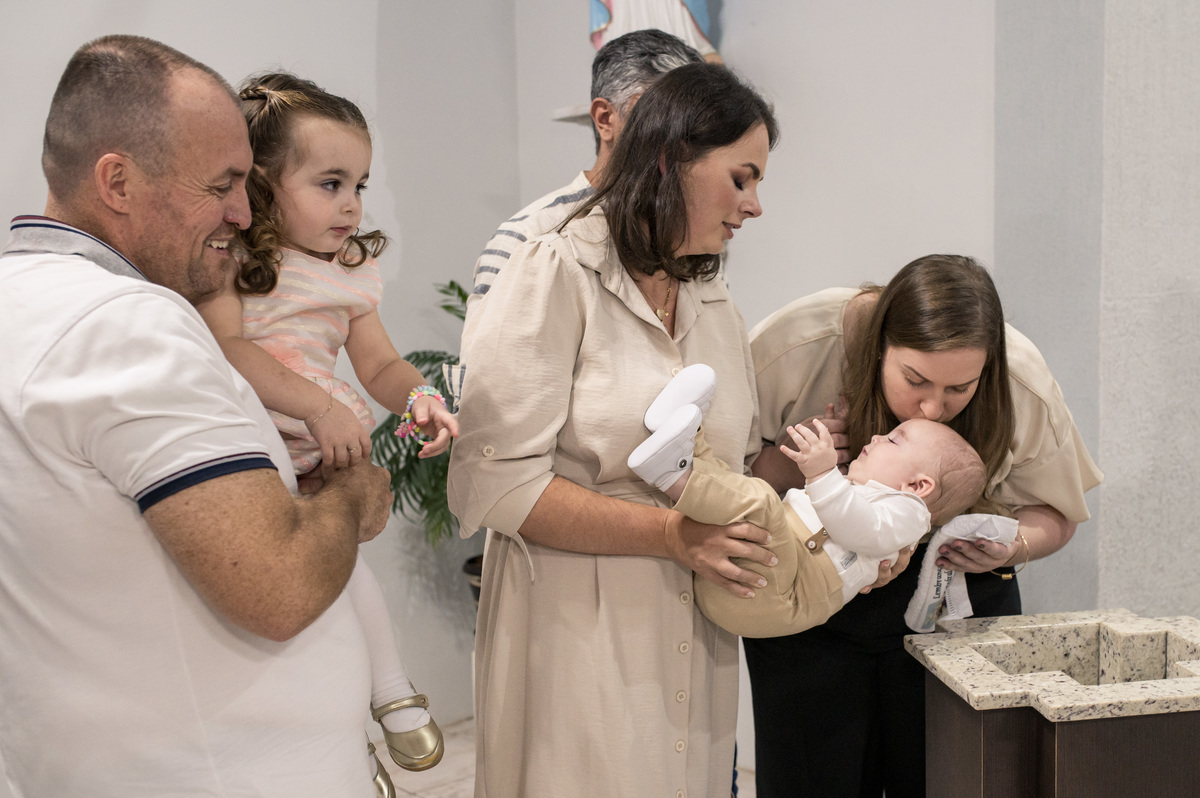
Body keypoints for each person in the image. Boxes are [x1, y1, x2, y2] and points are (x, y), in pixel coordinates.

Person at [0, 35, 395, 797]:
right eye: (221, 185)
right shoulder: (126, 324)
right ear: (116, 180)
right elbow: (276, 587)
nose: (244, 213)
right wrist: (352, 492)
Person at [447, 62, 778, 796]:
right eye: (742, 178)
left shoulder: (709, 289)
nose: (756, 206)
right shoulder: (552, 265)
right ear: (671, 160)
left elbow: (734, 460)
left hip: (696, 630)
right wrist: (668, 537)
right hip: (576, 627)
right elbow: (492, 485)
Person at [743, 255, 1104, 797]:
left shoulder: (1019, 377)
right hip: (807, 606)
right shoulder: (799, 345)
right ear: (880, 347)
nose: (934, 409)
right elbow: (721, 479)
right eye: (915, 380)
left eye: (960, 389)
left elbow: (1056, 514)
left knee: (957, 778)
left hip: (954, 612)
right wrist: (791, 463)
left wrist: (1010, 548)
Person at [194, 72, 457, 782]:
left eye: (360, 185)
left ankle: (391, 690)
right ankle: (370, 706)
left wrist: (420, 399)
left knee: (341, 568)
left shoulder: (352, 270)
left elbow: (380, 365)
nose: (351, 205)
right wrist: (316, 406)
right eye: (330, 183)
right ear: (265, 185)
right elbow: (230, 348)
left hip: (325, 445)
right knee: (289, 583)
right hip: (255, 440)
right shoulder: (239, 261)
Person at [627, 365, 986, 637]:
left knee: (761, 502)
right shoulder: (868, 495)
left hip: (783, 595)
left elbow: (858, 527)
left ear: (918, 486)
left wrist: (822, 473)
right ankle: (685, 438)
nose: (877, 437)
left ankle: (671, 474)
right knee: (736, 486)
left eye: (893, 441)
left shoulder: (907, 514)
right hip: (756, 574)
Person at [446, 28, 703, 401]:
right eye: (662, 117)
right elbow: (485, 407)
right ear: (605, 119)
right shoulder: (527, 238)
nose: (682, 140)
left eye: (693, 126)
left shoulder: (692, 237)